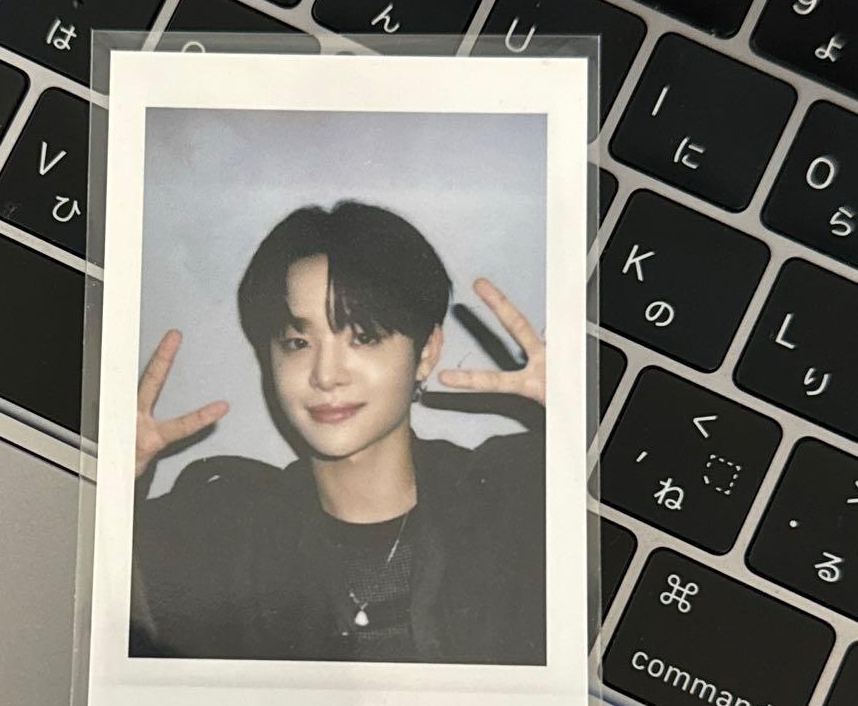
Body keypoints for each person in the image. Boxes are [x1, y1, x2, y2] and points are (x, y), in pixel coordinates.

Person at [130, 200, 546, 664]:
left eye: (363, 336)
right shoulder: (222, 531)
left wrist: (583, 416)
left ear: (426, 352)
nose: (326, 375)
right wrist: (111, 478)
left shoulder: (513, 500)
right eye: (297, 342)